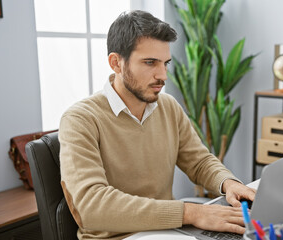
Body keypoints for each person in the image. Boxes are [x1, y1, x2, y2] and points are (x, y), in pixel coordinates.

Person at [59, 10, 256, 240]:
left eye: (166, 63)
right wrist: (190, 212)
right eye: (150, 62)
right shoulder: (80, 119)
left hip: (169, 232)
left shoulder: (168, 106)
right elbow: (92, 206)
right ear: (116, 63)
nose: (163, 75)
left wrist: (227, 182)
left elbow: (199, 161)